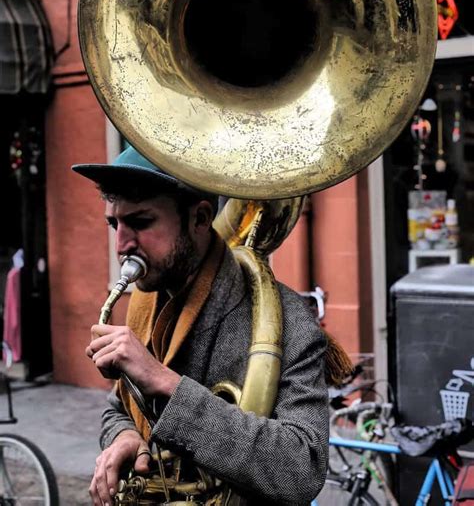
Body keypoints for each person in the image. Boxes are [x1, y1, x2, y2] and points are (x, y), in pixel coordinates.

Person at [73, 145, 329, 506]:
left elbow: (302, 469)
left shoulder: (285, 318)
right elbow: (119, 407)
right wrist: (124, 436)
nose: (122, 245)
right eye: (115, 224)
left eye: (141, 223)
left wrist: (167, 384)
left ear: (200, 218)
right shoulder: (145, 304)